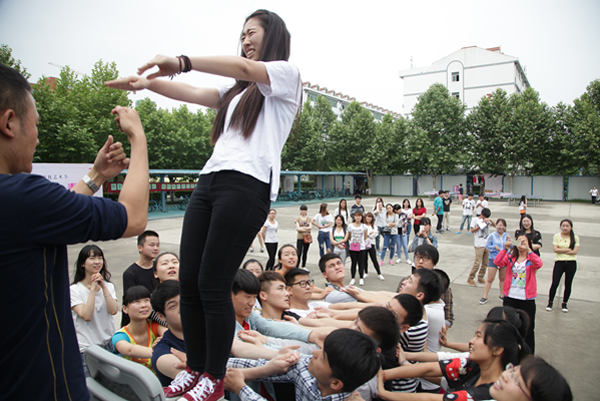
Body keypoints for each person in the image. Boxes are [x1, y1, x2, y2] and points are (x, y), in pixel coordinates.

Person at [106, 10, 302, 400]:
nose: (245, 40)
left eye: (253, 33)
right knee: (190, 283)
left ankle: (213, 376)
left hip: (247, 186)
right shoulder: (236, 93)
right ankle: (195, 368)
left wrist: (181, 62)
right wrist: (146, 84)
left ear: (273, 36)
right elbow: (193, 93)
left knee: (213, 285)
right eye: (242, 34)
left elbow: (243, 66)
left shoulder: (285, 76)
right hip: (211, 181)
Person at [0, 64, 149, 401]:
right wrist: (138, 138)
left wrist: (97, 175)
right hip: (43, 388)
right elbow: (133, 217)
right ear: (9, 122)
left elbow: (43, 221)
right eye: (35, 125)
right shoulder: (22, 196)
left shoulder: (19, 206)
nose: (37, 137)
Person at [380, 317, 531, 400]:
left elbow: (430, 400)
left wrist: (383, 392)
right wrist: (383, 375)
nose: (471, 341)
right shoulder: (474, 363)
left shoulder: (490, 393)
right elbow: (431, 367)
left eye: (478, 336)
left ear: (497, 350)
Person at [224, 329, 381, 400]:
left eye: (323, 356)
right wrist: (214, 367)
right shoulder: (307, 368)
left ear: (335, 383)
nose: (314, 353)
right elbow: (256, 364)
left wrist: (241, 389)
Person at [70, 245, 119, 377]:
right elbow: (86, 315)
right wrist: (92, 289)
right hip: (87, 350)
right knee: (91, 390)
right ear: (82, 263)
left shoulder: (108, 286)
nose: (97, 261)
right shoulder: (74, 290)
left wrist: (103, 287)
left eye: (100, 258)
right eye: (92, 258)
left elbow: (114, 310)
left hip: (107, 346)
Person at [495, 234, 543, 353]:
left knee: (528, 327)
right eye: (519, 241)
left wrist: (529, 251)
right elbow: (498, 262)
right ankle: (510, 351)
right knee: (508, 325)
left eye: (524, 241)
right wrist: (505, 249)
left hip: (527, 299)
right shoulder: (511, 258)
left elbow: (539, 264)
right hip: (511, 296)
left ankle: (528, 353)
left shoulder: (531, 259)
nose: (521, 243)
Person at [112, 286, 166, 371]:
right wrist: (158, 351)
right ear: (125, 309)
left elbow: (170, 336)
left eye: (147, 300)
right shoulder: (120, 336)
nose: (143, 305)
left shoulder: (154, 326)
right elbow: (129, 350)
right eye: (136, 302)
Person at [151, 281, 187, 386]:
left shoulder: (208, 331)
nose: (182, 308)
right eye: (173, 306)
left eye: (184, 301)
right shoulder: (163, 353)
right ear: (161, 316)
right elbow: (202, 379)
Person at [121, 230, 160, 326]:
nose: (155, 248)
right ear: (140, 247)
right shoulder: (130, 274)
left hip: (159, 320)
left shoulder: (159, 268)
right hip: (141, 323)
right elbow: (131, 302)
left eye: (158, 245)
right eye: (151, 245)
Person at [547, 219, 580, 313]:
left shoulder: (575, 238)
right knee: (555, 283)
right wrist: (568, 249)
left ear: (571, 227)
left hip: (571, 263)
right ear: (560, 227)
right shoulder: (557, 236)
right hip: (559, 262)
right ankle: (550, 302)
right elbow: (555, 250)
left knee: (568, 284)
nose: (565, 228)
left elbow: (575, 252)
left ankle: (564, 303)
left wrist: (562, 249)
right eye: (563, 226)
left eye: (567, 226)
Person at [481, 219, 509, 304]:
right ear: (496, 225)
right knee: (490, 279)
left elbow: (511, 247)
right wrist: (494, 247)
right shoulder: (492, 235)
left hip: (504, 260)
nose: (501, 227)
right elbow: (487, 246)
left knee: (502, 278)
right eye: (499, 225)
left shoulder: (507, 236)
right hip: (494, 259)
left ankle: (502, 295)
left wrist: (509, 242)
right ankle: (484, 296)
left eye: (503, 225)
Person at [468, 208, 495, 287]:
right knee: (477, 262)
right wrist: (480, 226)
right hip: (479, 244)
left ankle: (481, 277)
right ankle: (471, 278)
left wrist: (489, 220)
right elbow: (472, 230)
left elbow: (495, 225)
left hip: (487, 244)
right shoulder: (475, 220)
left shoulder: (487, 220)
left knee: (485, 263)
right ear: (481, 214)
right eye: (484, 217)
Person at [348, 211, 369, 286]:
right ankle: (353, 278)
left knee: (361, 263)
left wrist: (361, 242)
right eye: (356, 216)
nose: (358, 217)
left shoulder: (364, 226)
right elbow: (349, 236)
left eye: (359, 216)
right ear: (354, 217)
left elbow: (365, 236)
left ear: (361, 217)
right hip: (353, 247)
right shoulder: (350, 226)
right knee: (353, 263)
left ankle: (361, 278)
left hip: (362, 247)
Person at [365, 212, 385, 280]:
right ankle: (366, 273)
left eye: (370, 217)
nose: (368, 218)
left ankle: (379, 273)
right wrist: (369, 234)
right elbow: (362, 234)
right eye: (367, 216)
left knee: (374, 259)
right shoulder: (363, 225)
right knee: (365, 260)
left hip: (371, 244)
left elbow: (375, 234)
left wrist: (368, 235)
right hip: (363, 245)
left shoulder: (374, 226)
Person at [295, 204, 312, 269]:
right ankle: (297, 266)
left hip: (307, 238)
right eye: (302, 210)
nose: (303, 211)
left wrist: (302, 228)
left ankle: (303, 266)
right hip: (300, 237)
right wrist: (306, 228)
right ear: (300, 210)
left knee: (305, 252)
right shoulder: (298, 219)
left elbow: (310, 228)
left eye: (304, 210)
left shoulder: (309, 219)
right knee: (299, 253)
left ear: (307, 211)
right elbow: (298, 228)